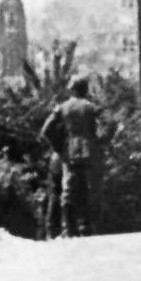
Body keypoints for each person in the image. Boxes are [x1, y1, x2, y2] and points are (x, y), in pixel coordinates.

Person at [40, 75, 100, 237]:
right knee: (84, 189)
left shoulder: (62, 107)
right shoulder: (90, 107)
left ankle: (68, 228)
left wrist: (58, 146)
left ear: (72, 89)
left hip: (68, 151)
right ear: (85, 89)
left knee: (67, 190)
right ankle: (84, 227)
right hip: (86, 151)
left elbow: (46, 130)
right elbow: (100, 129)